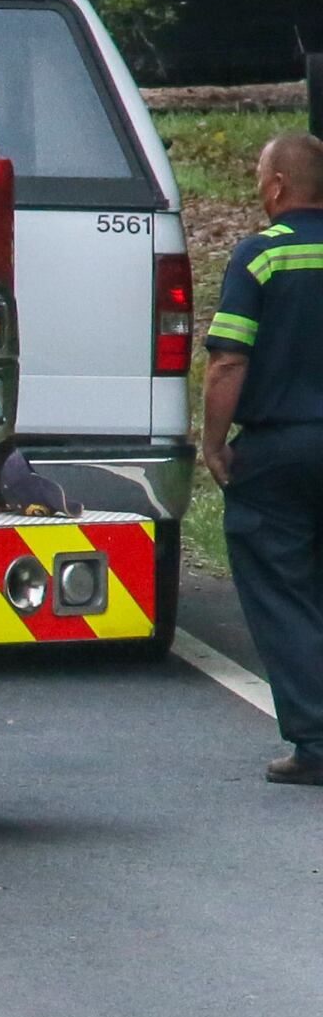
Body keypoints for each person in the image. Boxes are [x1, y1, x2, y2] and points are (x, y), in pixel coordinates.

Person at [206, 131, 323, 784]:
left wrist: (213, 442)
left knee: (282, 590)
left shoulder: (261, 258)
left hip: (279, 451)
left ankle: (316, 741)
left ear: (278, 186)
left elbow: (228, 360)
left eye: (258, 175)